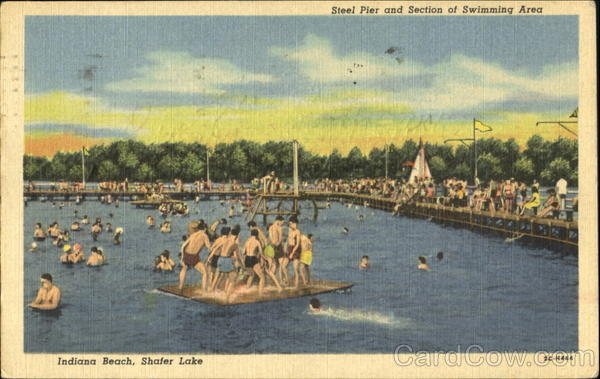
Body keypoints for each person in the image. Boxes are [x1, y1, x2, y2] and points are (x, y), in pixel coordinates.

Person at [178, 221, 211, 292]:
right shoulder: (204, 236)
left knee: (184, 269)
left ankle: (180, 287)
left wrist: (182, 257)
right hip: (194, 257)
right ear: (205, 229)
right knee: (204, 273)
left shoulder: (193, 234)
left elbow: (183, 245)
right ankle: (203, 290)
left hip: (186, 254)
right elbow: (209, 247)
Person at [243, 229, 268, 295]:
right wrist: (266, 259)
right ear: (257, 235)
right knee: (262, 277)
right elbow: (261, 253)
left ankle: (247, 289)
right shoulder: (257, 242)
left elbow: (243, 252)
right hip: (253, 259)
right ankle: (261, 293)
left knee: (251, 275)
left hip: (247, 259)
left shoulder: (247, 241)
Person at [269, 216, 288, 285]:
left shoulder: (270, 227)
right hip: (278, 246)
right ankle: (283, 281)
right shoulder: (279, 228)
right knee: (281, 265)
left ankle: (272, 281)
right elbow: (280, 239)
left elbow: (271, 238)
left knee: (274, 265)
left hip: (272, 246)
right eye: (282, 222)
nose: (282, 224)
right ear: (279, 221)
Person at [287, 216, 302, 288]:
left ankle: (296, 285)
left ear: (294, 223)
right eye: (289, 224)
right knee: (284, 265)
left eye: (291, 224)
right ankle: (287, 281)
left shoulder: (297, 231)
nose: (290, 225)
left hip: (295, 249)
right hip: (290, 248)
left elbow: (298, 244)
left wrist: (292, 253)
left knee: (295, 268)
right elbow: (288, 240)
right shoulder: (290, 230)